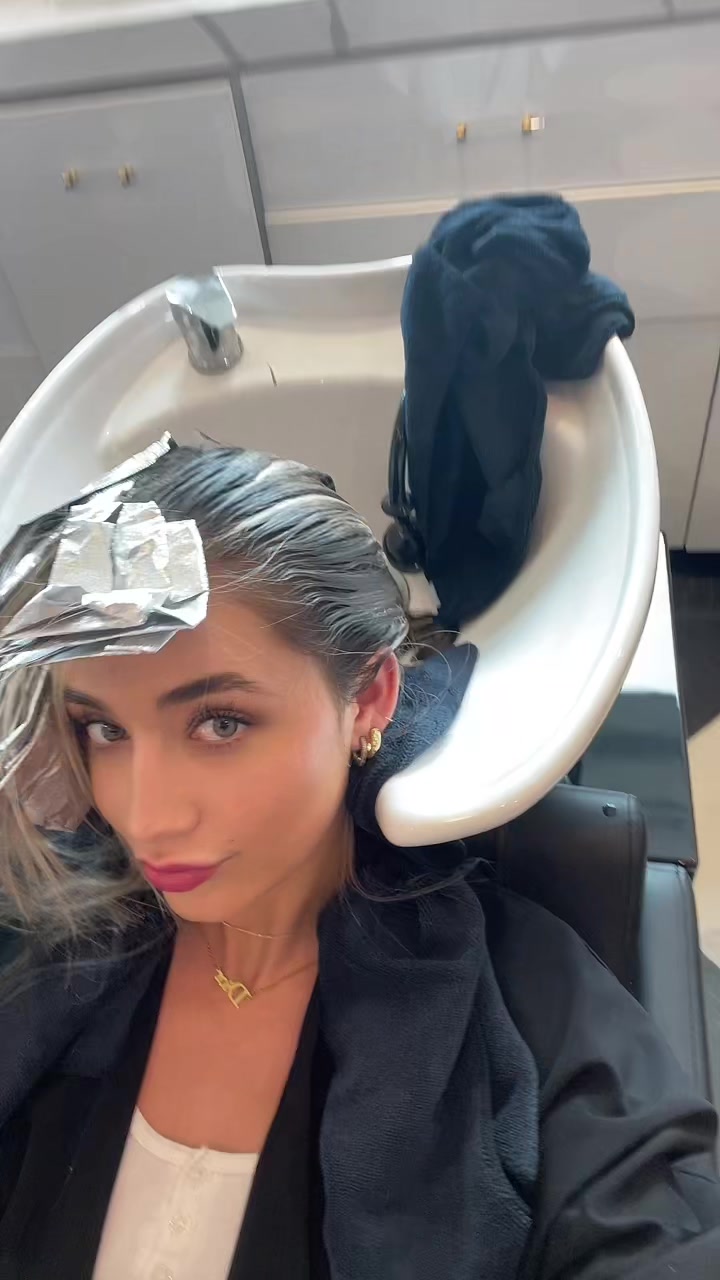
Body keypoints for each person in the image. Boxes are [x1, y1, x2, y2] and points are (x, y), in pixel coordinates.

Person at [0, 444, 719, 1280]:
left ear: (369, 698)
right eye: (105, 729)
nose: (144, 815)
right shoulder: (45, 949)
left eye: (220, 723)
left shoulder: (526, 997)